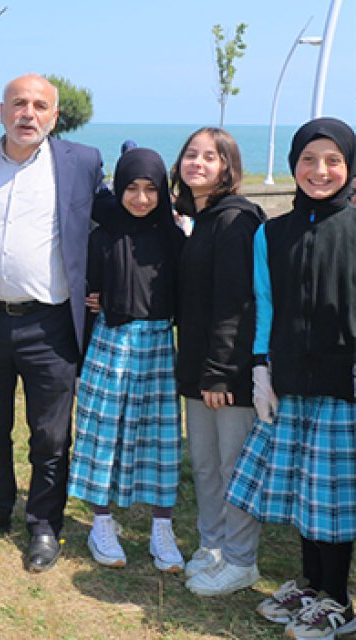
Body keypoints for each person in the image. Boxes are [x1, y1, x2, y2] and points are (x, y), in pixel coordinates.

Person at [0, 74, 110, 573]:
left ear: (54, 117)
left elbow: (104, 226)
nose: (28, 114)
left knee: (50, 435)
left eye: (40, 106)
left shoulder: (82, 163)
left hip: (53, 324)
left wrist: (107, 286)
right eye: (19, 103)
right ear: (1, 111)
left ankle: (43, 523)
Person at [228, 117, 356, 638]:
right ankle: (309, 583)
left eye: (332, 160)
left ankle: (338, 602)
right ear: (293, 164)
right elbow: (264, 303)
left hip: (342, 387)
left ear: (349, 167)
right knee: (306, 492)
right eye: (308, 159)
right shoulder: (271, 231)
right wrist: (261, 369)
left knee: (333, 498)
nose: (319, 170)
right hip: (287, 380)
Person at [67, 148, 186, 572]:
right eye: (131, 188)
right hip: (110, 341)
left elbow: (185, 295)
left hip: (157, 346)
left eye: (150, 190)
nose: (140, 198)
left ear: (163, 193)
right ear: (118, 190)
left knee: (161, 439)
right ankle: (101, 523)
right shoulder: (101, 236)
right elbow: (82, 288)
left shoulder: (175, 238)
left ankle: (161, 529)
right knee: (102, 435)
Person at [171, 127, 265, 596]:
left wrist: (220, 372)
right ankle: (212, 546)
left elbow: (237, 304)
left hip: (227, 374)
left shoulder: (237, 220)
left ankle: (241, 559)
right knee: (205, 465)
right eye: (191, 155)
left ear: (227, 167)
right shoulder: (200, 219)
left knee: (235, 468)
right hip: (195, 367)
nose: (198, 164)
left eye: (211, 157)